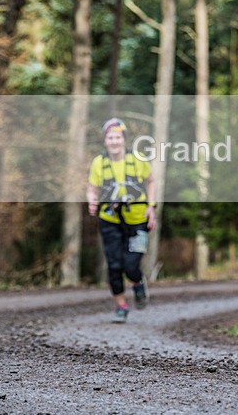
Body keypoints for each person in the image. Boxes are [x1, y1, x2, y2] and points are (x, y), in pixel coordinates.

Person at [86, 118, 157, 323]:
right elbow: (92, 188)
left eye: (118, 137)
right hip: (109, 220)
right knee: (114, 265)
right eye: (110, 137)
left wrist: (151, 207)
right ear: (105, 140)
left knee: (132, 265)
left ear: (124, 139)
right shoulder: (99, 163)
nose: (114, 141)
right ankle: (121, 306)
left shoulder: (137, 160)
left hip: (137, 219)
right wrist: (91, 201)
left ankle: (137, 283)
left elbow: (151, 181)